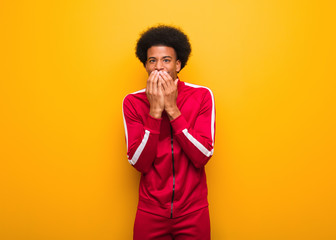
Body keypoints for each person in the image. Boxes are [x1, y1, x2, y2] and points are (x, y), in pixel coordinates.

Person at [122, 25, 216, 240]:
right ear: (145, 65)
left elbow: (202, 157)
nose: (159, 67)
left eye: (166, 60)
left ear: (178, 64)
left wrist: (172, 109)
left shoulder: (202, 96)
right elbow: (139, 163)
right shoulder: (132, 102)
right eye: (152, 60)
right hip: (150, 211)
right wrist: (155, 111)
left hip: (193, 211)